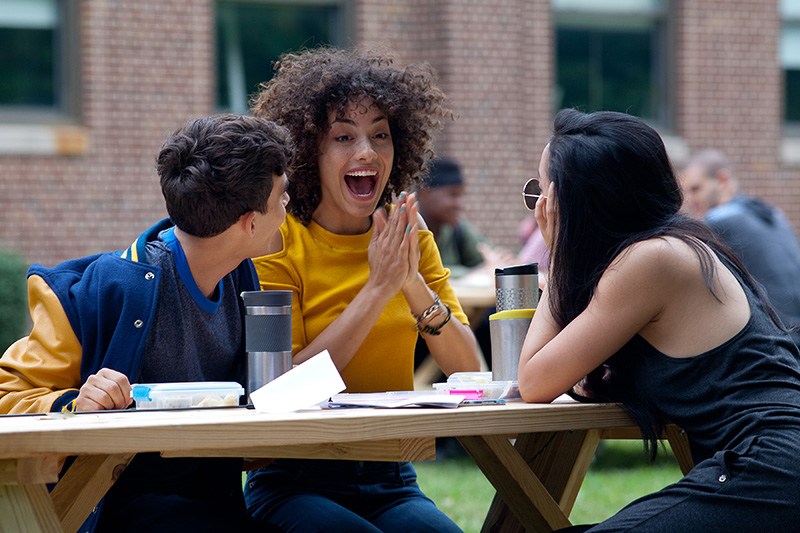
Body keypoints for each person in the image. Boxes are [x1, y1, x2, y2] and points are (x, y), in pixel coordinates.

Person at [0, 114, 293, 533]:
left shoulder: (243, 276)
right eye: (282, 196)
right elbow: (7, 398)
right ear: (249, 222)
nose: (287, 205)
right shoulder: (110, 286)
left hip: (216, 506)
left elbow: (255, 412)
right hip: (120, 511)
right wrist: (73, 405)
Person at [518, 109, 800, 531]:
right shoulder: (675, 248)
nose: (540, 209)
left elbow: (534, 382)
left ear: (576, 204)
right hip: (768, 462)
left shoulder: (652, 260)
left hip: (770, 463)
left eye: (543, 194)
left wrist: (556, 254)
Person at [244, 46, 481, 532]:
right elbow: (281, 390)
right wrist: (376, 289)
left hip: (391, 478)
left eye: (380, 135)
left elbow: (469, 370)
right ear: (310, 150)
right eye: (344, 137)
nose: (367, 152)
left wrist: (409, 281)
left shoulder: (410, 240)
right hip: (294, 479)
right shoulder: (279, 242)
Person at [680, 149, 800, 345]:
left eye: (696, 189)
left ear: (723, 180)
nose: (689, 200)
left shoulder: (719, 223)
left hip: (777, 338)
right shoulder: (770, 212)